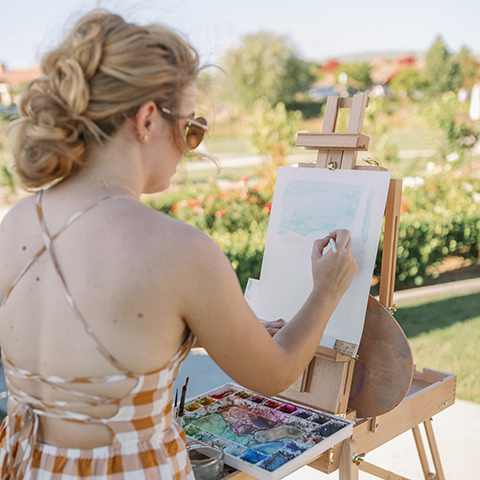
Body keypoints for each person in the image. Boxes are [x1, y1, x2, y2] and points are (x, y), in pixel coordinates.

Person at [0, 9, 358, 480]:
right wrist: (327, 291)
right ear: (147, 119)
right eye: (191, 128)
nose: (192, 147)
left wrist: (210, 327)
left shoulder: (17, 221)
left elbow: (93, 344)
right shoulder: (179, 250)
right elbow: (275, 374)